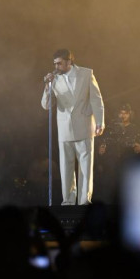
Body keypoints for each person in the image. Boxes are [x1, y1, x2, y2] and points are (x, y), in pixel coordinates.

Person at [41, 49, 105, 205]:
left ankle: (84, 200)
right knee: (66, 167)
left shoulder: (86, 74)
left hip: (84, 125)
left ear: (69, 62)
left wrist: (100, 121)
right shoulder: (54, 79)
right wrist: (47, 87)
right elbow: (46, 105)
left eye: (59, 63)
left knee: (85, 167)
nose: (56, 66)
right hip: (64, 128)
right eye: (54, 63)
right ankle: (68, 201)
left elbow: (96, 99)